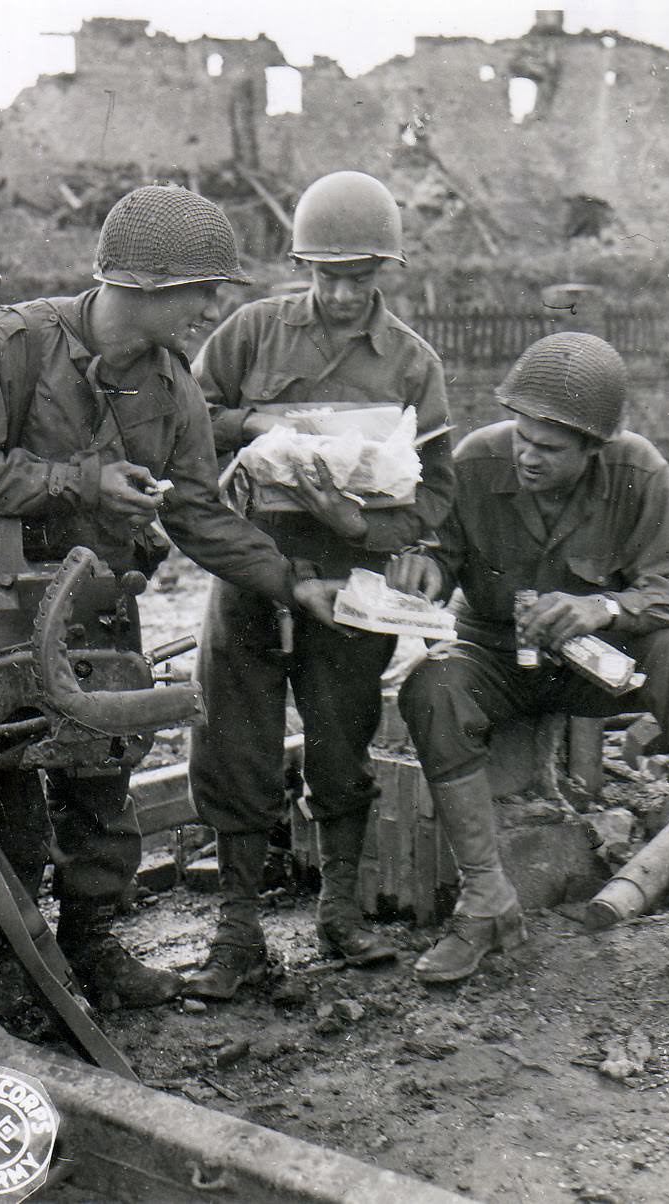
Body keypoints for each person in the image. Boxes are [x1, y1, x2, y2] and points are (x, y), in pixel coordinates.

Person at [0, 184, 341, 1023]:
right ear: (150, 286)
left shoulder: (172, 385)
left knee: (104, 788)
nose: (210, 305)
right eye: (201, 288)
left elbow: (195, 511)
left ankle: (93, 944)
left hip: (99, 609)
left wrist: (290, 580)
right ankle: (14, 957)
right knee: (6, 784)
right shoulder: (14, 345)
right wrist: (78, 481)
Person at [386, 330, 669, 984]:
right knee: (430, 686)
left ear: (594, 449)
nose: (527, 457)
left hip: (599, 667)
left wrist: (605, 608)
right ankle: (484, 900)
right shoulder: (475, 463)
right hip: (497, 659)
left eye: (549, 449)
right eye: (520, 437)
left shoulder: (635, 472)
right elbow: (439, 555)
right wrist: (424, 574)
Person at [187, 170, 456, 999]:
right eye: (326, 274)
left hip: (351, 578)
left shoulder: (410, 363)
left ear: (386, 270)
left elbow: (437, 492)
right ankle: (236, 933)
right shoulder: (251, 333)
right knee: (235, 739)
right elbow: (183, 418)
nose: (341, 293)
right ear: (302, 266)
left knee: (341, 740)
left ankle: (339, 912)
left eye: (360, 275)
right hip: (252, 566)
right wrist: (250, 424)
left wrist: (367, 531)